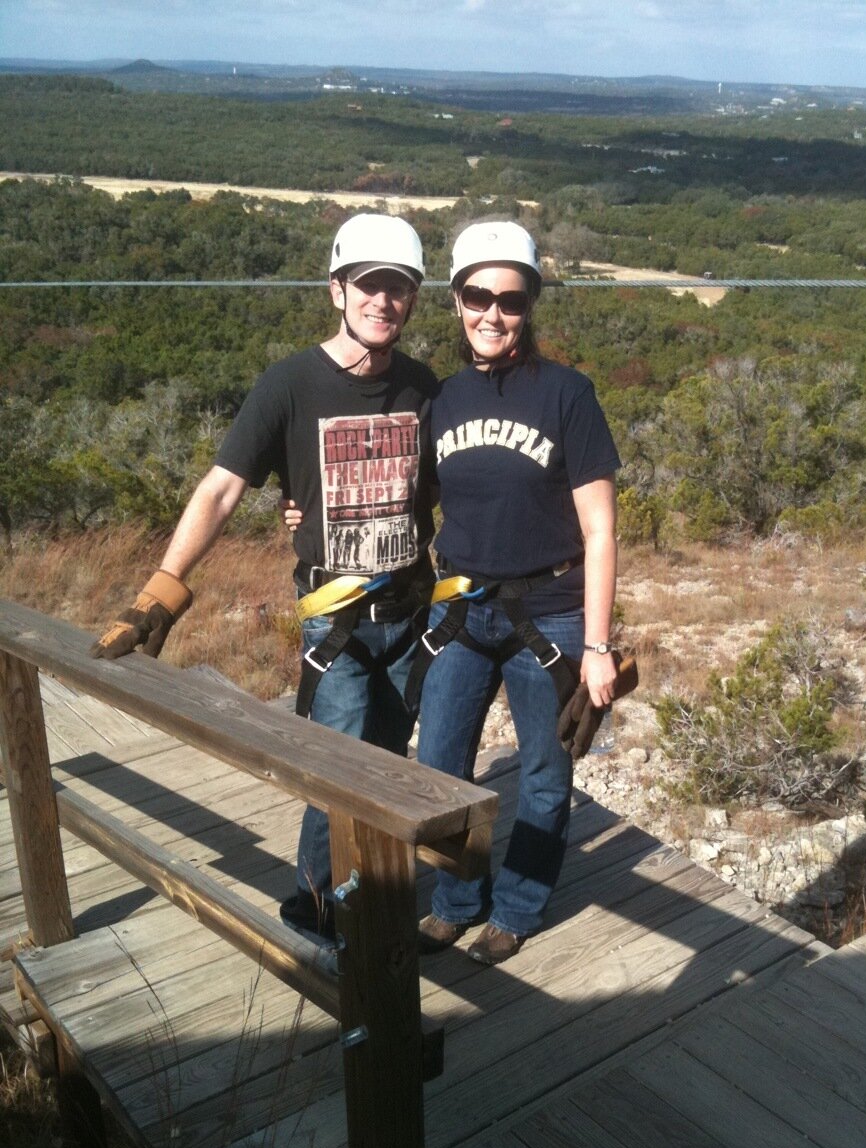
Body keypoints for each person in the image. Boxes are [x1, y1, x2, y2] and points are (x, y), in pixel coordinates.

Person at [91, 212, 439, 947]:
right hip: (336, 620)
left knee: (386, 766)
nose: (383, 302)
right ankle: (318, 907)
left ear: (412, 300)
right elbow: (220, 488)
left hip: (410, 614)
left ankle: (369, 892)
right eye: (368, 286)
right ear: (337, 290)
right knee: (335, 769)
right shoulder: (288, 385)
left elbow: (453, 486)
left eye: (398, 289)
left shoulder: (422, 387)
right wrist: (164, 587)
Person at [414, 221, 621, 965]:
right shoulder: (441, 400)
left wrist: (597, 646)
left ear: (530, 304)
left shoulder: (567, 394)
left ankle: (518, 907)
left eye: (510, 298)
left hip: (552, 615)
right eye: (478, 296)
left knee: (542, 773)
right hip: (461, 610)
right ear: (457, 300)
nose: (493, 314)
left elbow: (600, 530)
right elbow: (416, 498)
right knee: (437, 766)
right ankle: (453, 899)